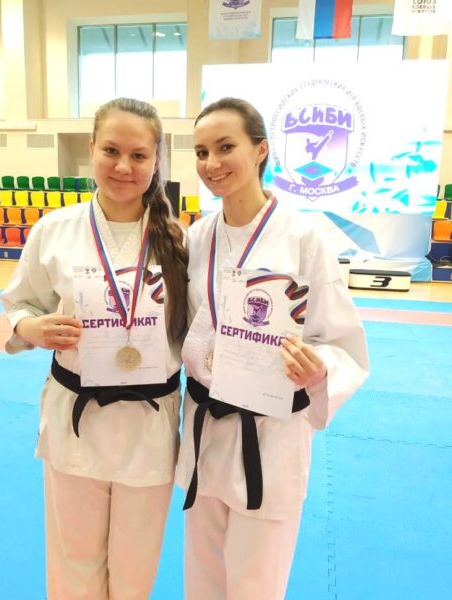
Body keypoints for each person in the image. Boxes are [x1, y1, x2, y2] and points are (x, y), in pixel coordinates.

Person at [176, 97, 369, 600]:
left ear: (260, 150)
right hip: (205, 422)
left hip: (270, 429)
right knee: (202, 578)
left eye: (225, 147)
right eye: (201, 152)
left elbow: (341, 340)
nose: (211, 163)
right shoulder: (197, 237)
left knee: (257, 583)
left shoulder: (303, 238)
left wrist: (318, 369)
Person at [0, 98, 188, 600]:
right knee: (73, 560)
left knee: (135, 565)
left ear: (156, 160)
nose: (123, 166)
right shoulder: (54, 229)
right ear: (91, 149)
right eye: (111, 151)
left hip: (148, 421)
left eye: (139, 155)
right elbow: (19, 304)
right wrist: (32, 327)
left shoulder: (179, 240)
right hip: (76, 417)